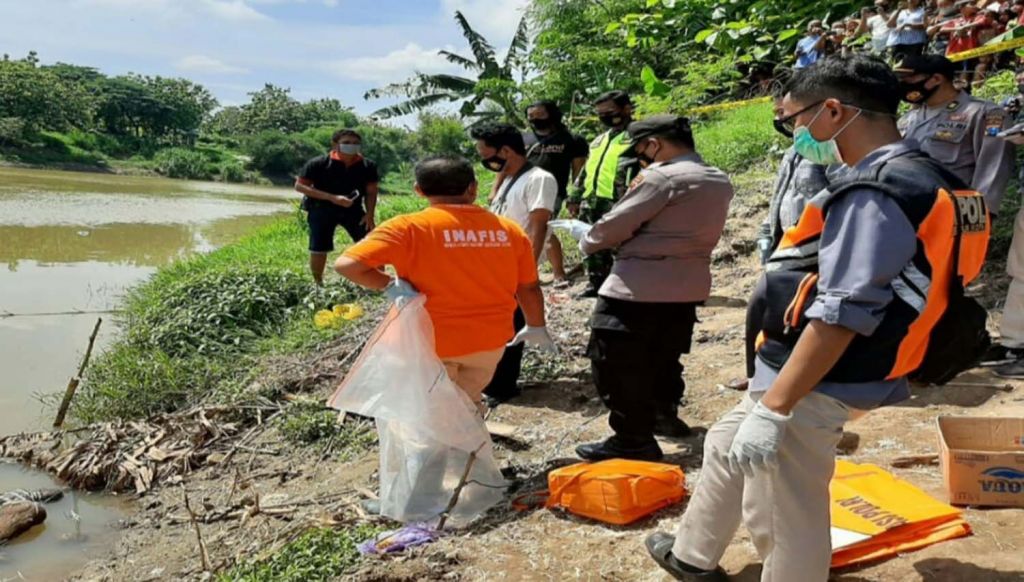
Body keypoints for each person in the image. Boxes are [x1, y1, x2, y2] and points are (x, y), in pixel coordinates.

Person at [645, 54, 990, 582]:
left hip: (823, 371)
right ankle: (693, 555)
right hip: (852, 360)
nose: (795, 133)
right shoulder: (935, 175)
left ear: (833, 111)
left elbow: (842, 312)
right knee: (724, 442)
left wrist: (777, 407)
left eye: (795, 120)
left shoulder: (874, 193)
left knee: (785, 506)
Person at [569, 115, 734, 461]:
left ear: (655, 144)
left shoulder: (661, 178)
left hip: (637, 286)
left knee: (614, 361)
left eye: (642, 148)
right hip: (687, 286)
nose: (640, 156)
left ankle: (632, 439)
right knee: (664, 355)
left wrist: (586, 239)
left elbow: (617, 224)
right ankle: (664, 416)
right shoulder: (719, 179)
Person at [333, 156, 555, 409]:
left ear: (418, 190)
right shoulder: (510, 230)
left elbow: (347, 265)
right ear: (473, 187)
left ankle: (445, 447)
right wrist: (536, 325)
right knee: (468, 402)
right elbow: (527, 286)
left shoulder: (407, 228)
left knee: (432, 413)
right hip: (490, 341)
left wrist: (389, 285)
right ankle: (468, 444)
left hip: (430, 341)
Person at [471, 123, 558, 404]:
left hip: (516, 265)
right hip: (496, 264)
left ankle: (502, 386)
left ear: (506, 151)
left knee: (508, 326)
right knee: (498, 324)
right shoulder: (508, 177)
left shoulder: (539, 179)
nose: (485, 161)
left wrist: (528, 270)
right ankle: (495, 381)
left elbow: (538, 226)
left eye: (487, 154)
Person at [896, 54, 1014, 212]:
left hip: (953, 214)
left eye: (908, 79)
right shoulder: (908, 119)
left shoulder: (984, 114)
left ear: (936, 79)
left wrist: (979, 215)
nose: (902, 84)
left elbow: (993, 169)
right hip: (908, 211)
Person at [567, 91, 640, 298]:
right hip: (592, 200)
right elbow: (587, 170)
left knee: (622, 244)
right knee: (591, 243)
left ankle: (625, 285)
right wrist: (574, 197)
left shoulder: (638, 135)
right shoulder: (600, 140)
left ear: (626, 109)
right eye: (600, 114)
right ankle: (595, 283)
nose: (604, 117)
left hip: (620, 200)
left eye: (609, 112)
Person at [295, 129, 379, 284]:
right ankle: (318, 283)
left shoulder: (368, 166)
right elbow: (300, 187)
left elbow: (371, 192)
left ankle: (381, 282)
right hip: (321, 209)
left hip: (353, 209)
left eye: (355, 143)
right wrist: (332, 198)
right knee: (319, 247)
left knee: (372, 243)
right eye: (346, 143)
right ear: (335, 145)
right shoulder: (319, 163)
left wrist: (370, 214)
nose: (351, 146)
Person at [523, 100, 589, 287]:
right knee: (527, 230)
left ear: (552, 114)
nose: (536, 120)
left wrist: (575, 196)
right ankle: (531, 271)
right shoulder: (524, 139)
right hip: (524, 191)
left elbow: (579, 171)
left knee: (544, 229)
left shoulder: (572, 140)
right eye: (531, 117)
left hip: (553, 192)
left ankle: (558, 273)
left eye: (540, 115)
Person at [940, 0, 994, 84]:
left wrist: (965, 26)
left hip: (970, 51)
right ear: (962, 7)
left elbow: (983, 21)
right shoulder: (956, 20)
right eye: (971, 4)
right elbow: (942, 29)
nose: (974, 6)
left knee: (966, 77)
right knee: (952, 77)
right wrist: (957, 29)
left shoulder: (977, 17)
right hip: (953, 52)